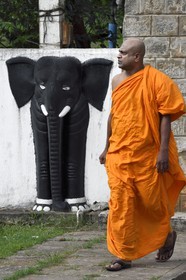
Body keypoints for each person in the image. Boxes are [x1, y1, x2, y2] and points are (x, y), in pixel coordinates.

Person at [99, 38, 186, 272]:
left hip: (147, 155)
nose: (119, 56)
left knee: (151, 203)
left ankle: (166, 234)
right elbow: (113, 115)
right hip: (119, 153)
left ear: (137, 57)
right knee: (120, 204)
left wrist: (162, 152)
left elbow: (166, 116)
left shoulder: (157, 81)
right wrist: (107, 147)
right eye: (119, 52)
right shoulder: (117, 81)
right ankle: (123, 255)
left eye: (124, 53)